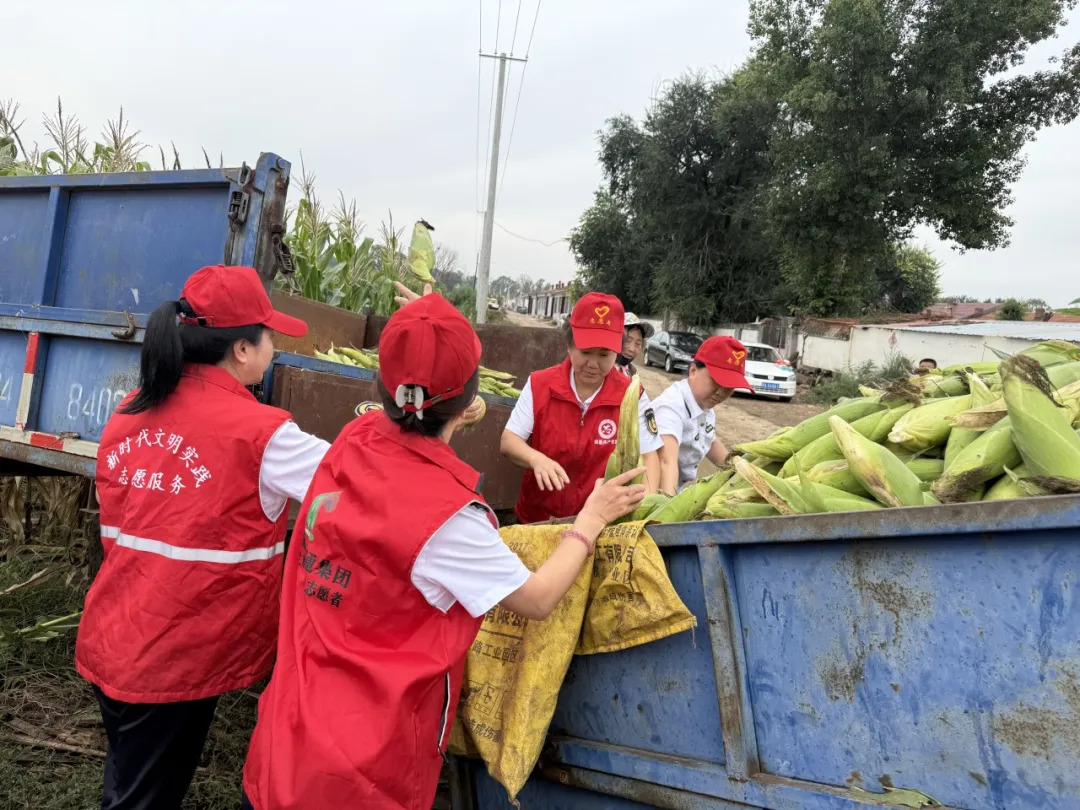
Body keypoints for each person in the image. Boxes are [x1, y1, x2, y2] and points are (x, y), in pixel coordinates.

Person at [240, 286, 646, 810]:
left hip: (284, 745)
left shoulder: (351, 440)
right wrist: (591, 520)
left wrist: (444, 412)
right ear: (467, 399)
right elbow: (539, 598)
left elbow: (397, 428)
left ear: (382, 390)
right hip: (364, 775)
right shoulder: (452, 519)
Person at [74, 265, 331, 810]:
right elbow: (359, 481)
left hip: (115, 632)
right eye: (269, 335)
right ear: (242, 349)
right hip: (174, 657)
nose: (274, 346)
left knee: (131, 772)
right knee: (141, 795)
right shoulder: (263, 434)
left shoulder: (129, 411)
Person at [501, 292, 662, 524]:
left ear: (617, 352)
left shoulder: (632, 395)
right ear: (569, 345)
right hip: (536, 521)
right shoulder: (540, 384)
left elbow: (649, 456)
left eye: (604, 355)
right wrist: (536, 459)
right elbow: (509, 441)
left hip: (599, 524)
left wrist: (645, 503)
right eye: (585, 352)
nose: (593, 364)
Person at [652, 336, 752, 495]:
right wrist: (667, 506)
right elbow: (665, 462)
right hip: (650, 495)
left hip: (673, 489)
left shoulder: (703, 404)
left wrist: (743, 471)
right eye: (716, 382)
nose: (721, 392)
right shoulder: (670, 408)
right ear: (693, 371)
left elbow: (709, 440)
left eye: (729, 387)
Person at [614, 312, 655, 379]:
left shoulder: (633, 372)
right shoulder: (602, 371)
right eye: (627, 340)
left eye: (638, 344)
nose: (632, 349)